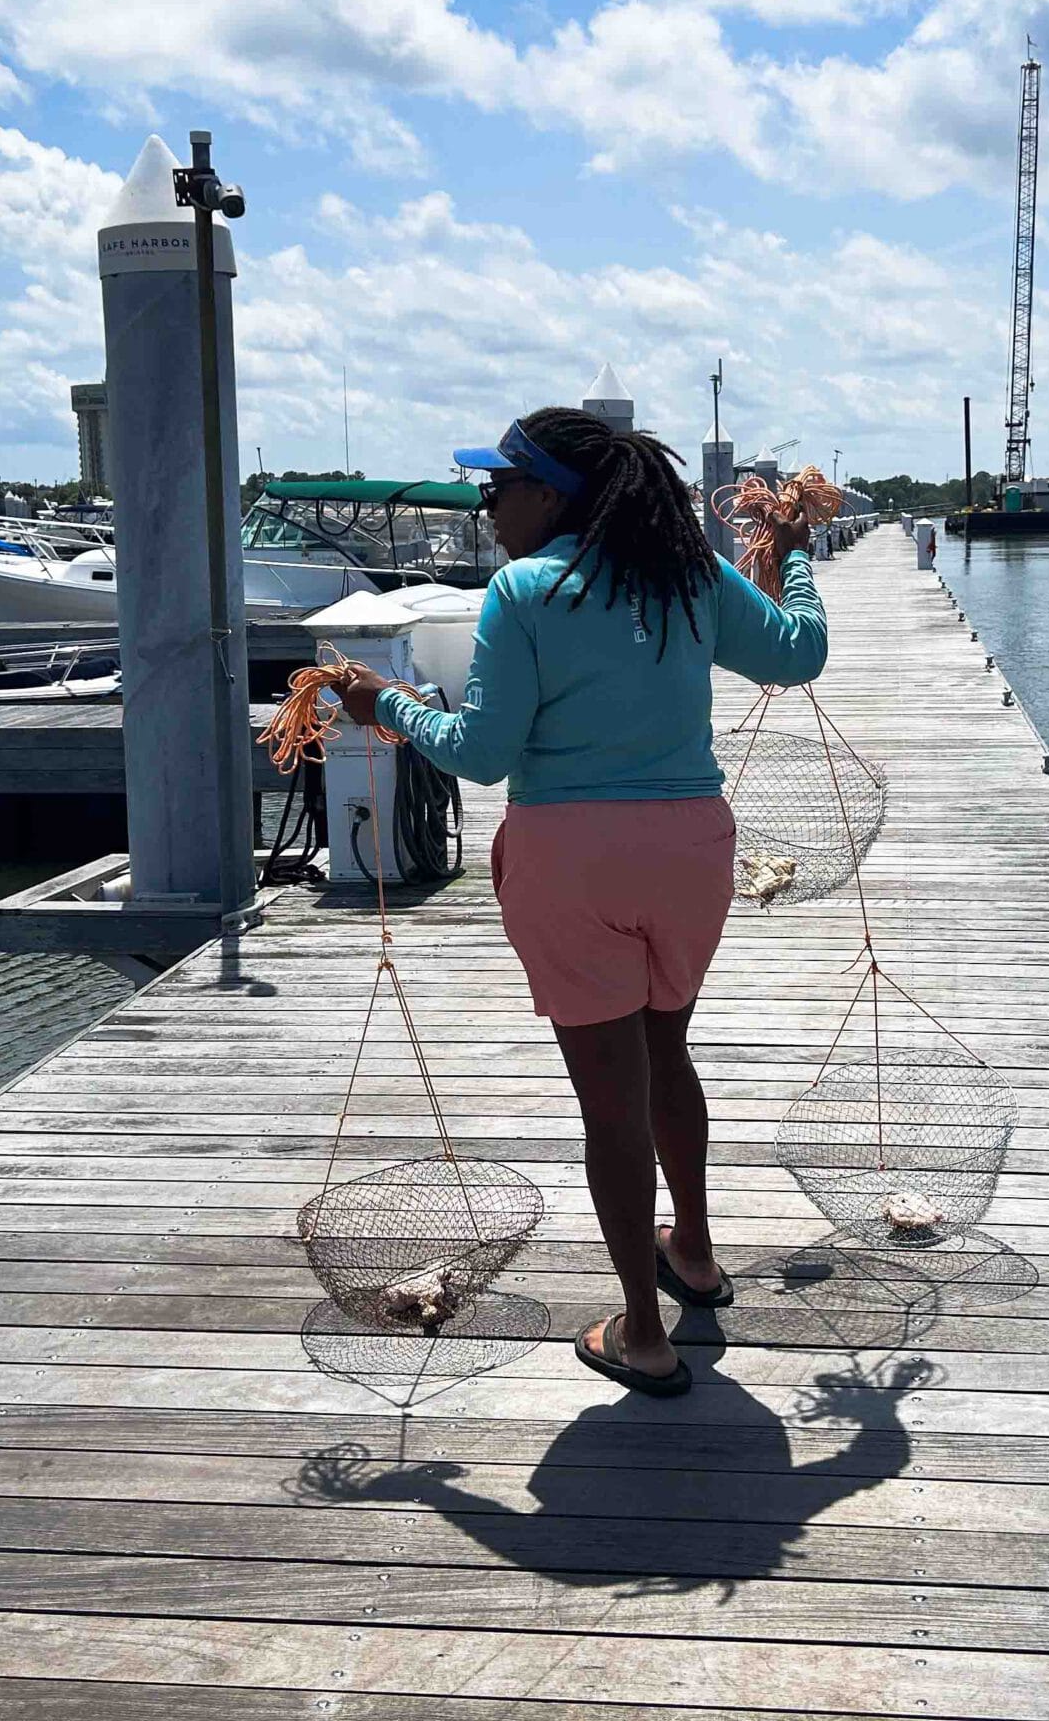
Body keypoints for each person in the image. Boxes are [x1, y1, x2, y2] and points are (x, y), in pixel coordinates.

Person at [331, 405, 827, 1396]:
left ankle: (642, 1334)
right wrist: (793, 553)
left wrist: (378, 703)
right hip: (690, 850)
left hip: (572, 858)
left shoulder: (521, 591)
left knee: (612, 1105)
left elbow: (482, 754)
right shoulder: (688, 575)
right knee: (666, 1052)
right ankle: (691, 1252)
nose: (485, 511)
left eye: (495, 490)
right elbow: (797, 651)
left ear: (549, 496)